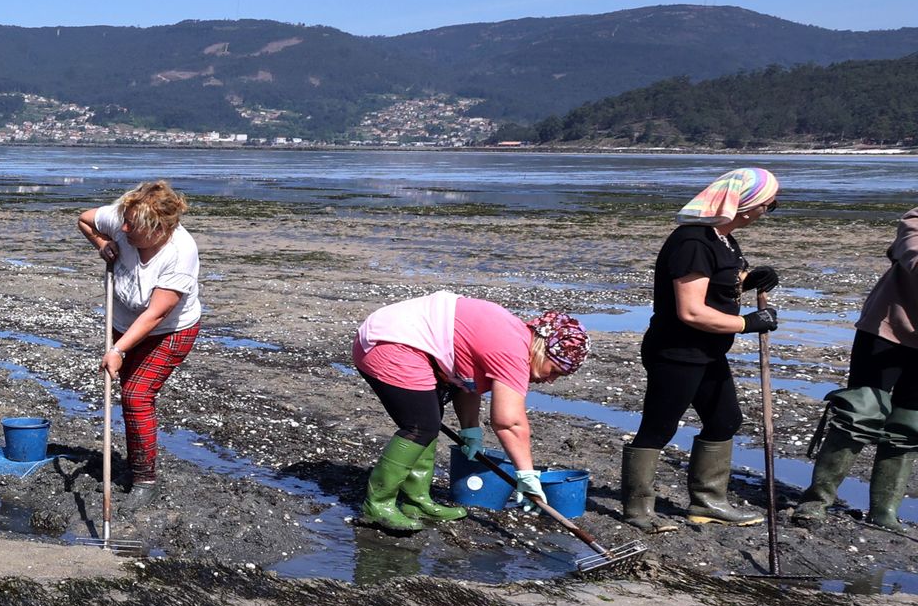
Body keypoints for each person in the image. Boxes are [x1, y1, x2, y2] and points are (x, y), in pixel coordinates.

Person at [619, 167, 782, 531]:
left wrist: (750, 280)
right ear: (745, 204)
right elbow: (691, 311)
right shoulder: (693, 242)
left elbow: (719, 283)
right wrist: (748, 323)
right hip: (677, 351)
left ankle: (708, 502)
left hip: (707, 351)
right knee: (659, 427)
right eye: (768, 204)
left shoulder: (722, 238)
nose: (768, 211)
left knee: (725, 420)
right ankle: (637, 509)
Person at [351, 292, 588, 534]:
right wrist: (526, 475)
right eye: (555, 370)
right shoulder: (513, 351)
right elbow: (509, 423)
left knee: (429, 419)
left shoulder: (512, 336)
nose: (551, 380)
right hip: (389, 343)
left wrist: (470, 430)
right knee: (420, 425)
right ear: (543, 350)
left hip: (397, 337)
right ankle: (377, 506)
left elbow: (468, 381)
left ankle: (417, 501)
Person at [794, 203, 918, 533]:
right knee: (860, 412)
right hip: (887, 329)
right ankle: (816, 500)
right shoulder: (915, 219)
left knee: (910, 424)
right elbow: (912, 255)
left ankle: (884, 511)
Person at [76, 180, 202, 504]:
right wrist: (102, 243)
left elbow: (156, 314)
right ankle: (135, 464)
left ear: (158, 229)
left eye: (132, 226)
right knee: (130, 394)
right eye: (125, 221)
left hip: (169, 331)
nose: (124, 228)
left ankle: (145, 480)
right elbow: (85, 219)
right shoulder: (123, 219)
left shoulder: (180, 253)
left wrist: (118, 350)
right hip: (123, 322)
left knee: (136, 395)